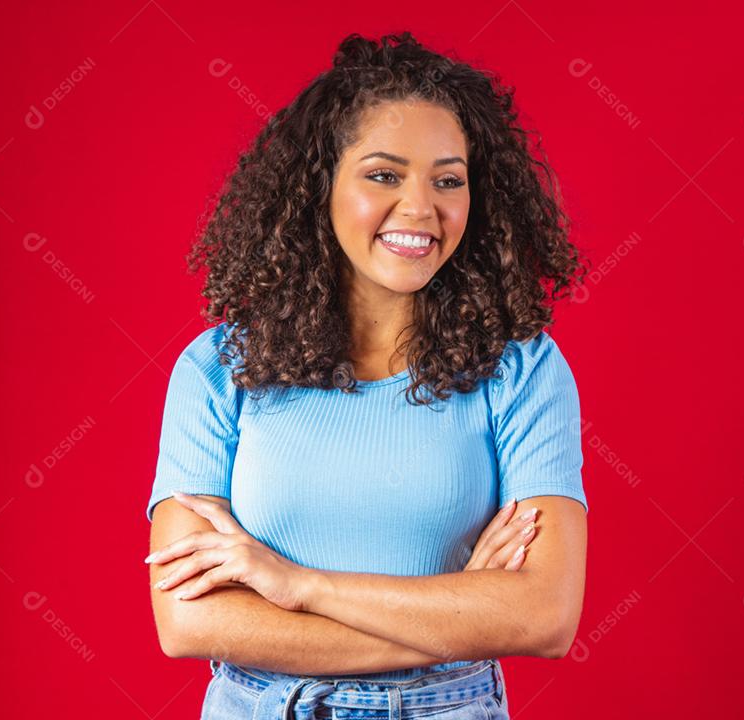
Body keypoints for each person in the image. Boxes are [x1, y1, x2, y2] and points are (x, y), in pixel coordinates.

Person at [144, 30, 590, 720]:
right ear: (320, 189)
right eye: (384, 175)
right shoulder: (219, 369)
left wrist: (299, 586)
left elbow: (543, 615)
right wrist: (453, 616)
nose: (419, 209)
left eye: (448, 180)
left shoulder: (522, 371)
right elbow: (191, 624)